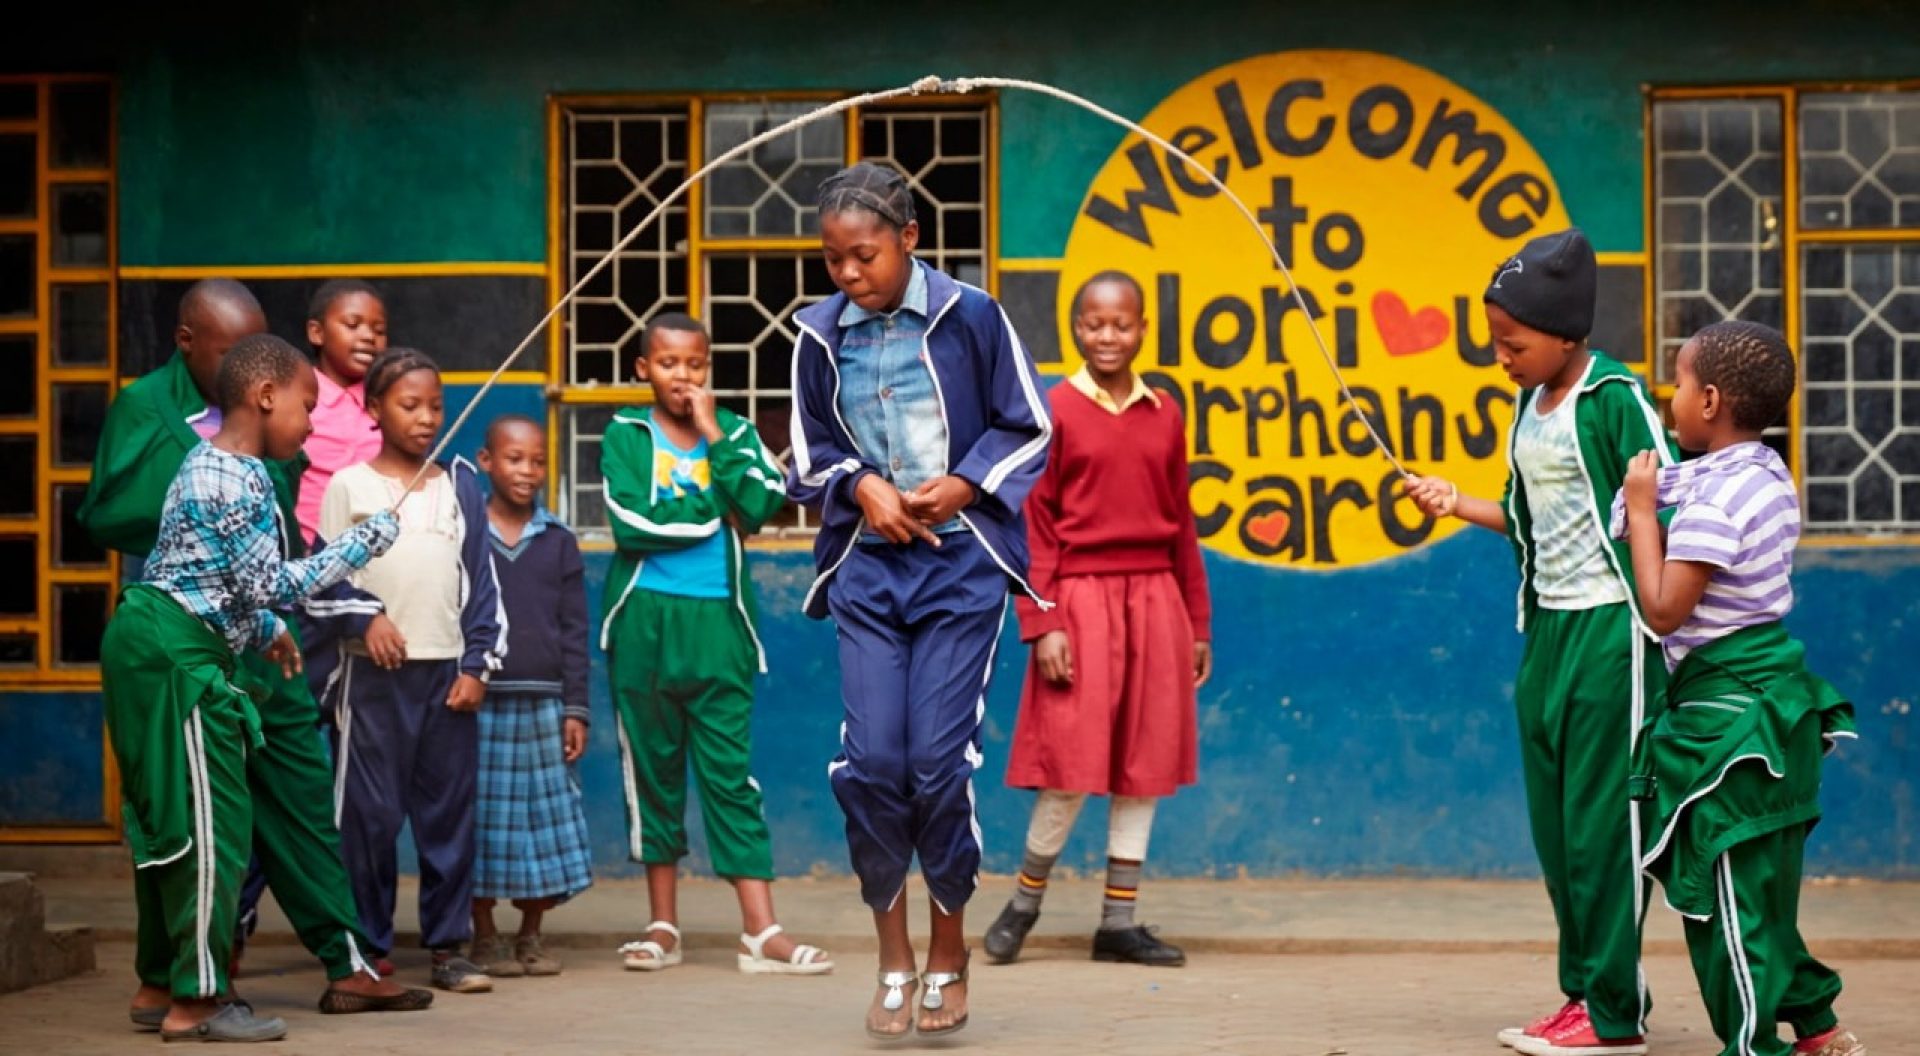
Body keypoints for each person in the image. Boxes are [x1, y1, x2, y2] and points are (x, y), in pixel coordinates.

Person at [79, 284, 427, 1023]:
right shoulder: (226, 472)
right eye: (306, 407)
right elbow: (270, 579)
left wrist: (262, 625)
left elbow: (203, 570)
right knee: (209, 830)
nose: (312, 423)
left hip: (177, 638)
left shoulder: (216, 464)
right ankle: (198, 999)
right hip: (179, 656)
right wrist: (358, 545)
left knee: (173, 821)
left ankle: (161, 987)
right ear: (266, 396)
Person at [788, 162, 1052, 1039]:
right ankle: (891, 953)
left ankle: (949, 947)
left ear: (908, 239)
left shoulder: (972, 317)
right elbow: (808, 457)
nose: (848, 276)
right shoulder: (818, 337)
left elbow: (1030, 427)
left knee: (936, 767)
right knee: (874, 765)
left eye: (863, 256)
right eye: (832, 262)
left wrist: (967, 485)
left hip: (959, 570)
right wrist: (861, 484)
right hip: (867, 572)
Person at [1406, 228, 1673, 1056]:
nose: (1501, 357)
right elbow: (1524, 517)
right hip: (1549, 629)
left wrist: (1664, 608)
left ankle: (1611, 1011)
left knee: (1601, 827)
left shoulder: (1613, 398)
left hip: (1610, 632)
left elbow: (1668, 496)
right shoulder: (1531, 405)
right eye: (1495, 342)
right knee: (1558, 834)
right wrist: (1454, 503)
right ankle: (1587, 991)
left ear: (1565, 335)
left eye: (1512, 343)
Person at [1608, 321, 1864, 1056]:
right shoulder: (1762, 473)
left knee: (1729, 910)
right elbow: (1658, 488)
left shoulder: (1717, 503)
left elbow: (1662, 608)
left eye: (1679, 385)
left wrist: (1645, 508)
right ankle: (1816, 1026)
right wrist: (1645, 498)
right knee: (1760, 897)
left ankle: (1754, 1047)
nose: (1671, 399)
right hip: (1771, 705)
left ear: (1712, 399)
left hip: (1732, 724)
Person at [985, 270, 1211, 969]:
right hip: (1079, 601)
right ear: (1074, 328)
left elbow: (1181, 522)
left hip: (1155, 601)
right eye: (1092, 323)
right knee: (1071, 764)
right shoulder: (1051, 411)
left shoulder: (1164, 413)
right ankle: (1024, 903)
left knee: (1142, 765)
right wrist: (1043, 620)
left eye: (1121, 324)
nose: (1106, 335)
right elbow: (1034, 525)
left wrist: (1197, 622)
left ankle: (1119, 922)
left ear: (1144, 329)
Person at [600, 314, 831, 978]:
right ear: (645, 369)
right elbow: (630, 523)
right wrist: (715, 510)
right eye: (669, 364)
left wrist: (712, 438)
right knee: (653, 776)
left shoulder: (732, 430)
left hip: (721, 628)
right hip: (643, 624)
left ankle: (763, 932)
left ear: (709, 370)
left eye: (696, 365)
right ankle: (663, 926)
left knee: (731, 778)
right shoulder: (625, 433)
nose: (684, 376)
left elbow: (763, 501)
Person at [320, 348, 506, 994]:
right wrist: (365, 617)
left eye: (435, 406)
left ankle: (449, 947)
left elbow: (483, 584)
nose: (426, 418)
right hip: (368, 679)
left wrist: (478, 664)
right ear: (373, 409)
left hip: (446, 677)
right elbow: (320, 583)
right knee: (367, 818)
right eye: (409, 405)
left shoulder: (458, 482)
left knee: (447, 816)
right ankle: (367, 948)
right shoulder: (350, 486)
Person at [468, 414, 594, 979]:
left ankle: (531, 935)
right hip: (480, 701)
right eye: (514, 459)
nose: (527, 471)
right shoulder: (466, 534)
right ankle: (484, 934)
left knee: (543, 824)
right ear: (487, 462)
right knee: (479, 820)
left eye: (537, 461)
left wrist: (576, 708)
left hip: (544, 704)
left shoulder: (558, 541)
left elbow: (575, 631)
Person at [297, 278, 389, 547]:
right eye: (352, 325)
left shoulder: (387, 403)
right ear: (317, 332)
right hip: (307, 559)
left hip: (377, 559)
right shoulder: (297, 398)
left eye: (379, 330)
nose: (369, 336)